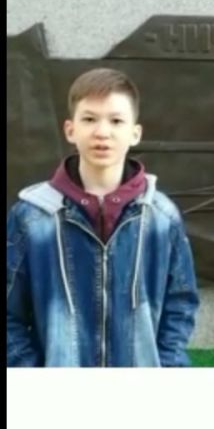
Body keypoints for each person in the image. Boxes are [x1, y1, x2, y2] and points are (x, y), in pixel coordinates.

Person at [7, 68, 199, 366]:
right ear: (70, 129)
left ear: (135, 133)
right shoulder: (32, 218)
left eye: (116, 120)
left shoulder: (161, 217)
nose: (102, 132)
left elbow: (180, 305)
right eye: (89, 119)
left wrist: (167, 367)